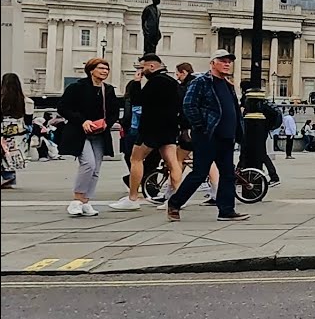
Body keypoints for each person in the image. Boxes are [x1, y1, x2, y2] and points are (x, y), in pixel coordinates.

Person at [164, 50, 248, 222]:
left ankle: (226, 210)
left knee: (228, 174)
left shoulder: (228, 85)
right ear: (212, 63)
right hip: (207, 135)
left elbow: (233, 110)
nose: (227, 64)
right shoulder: (201, 82)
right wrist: (200, 126)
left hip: (226, 136)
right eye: (222, 61)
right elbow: (189, 105)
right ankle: (174, 203)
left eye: (229, 61)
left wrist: (238, 132)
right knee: (200, 173)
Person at [111, 54, 184, 210]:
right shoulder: (173, 82)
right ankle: (176, 198)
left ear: (152, 66)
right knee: (173, 163)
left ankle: (132, 198)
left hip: (152, 127)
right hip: (170, 127)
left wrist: (137, 83)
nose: (141, 71)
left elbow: (139, 101)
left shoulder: (155, 82)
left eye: (142, 67)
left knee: (136, 159)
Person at [57, 58, 120, 217]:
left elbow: (114, 112)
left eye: (107, 69)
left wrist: (107, 123)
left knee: (96, 168)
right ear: (91, 70)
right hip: (80, 132)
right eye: (101, 68)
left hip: (100, 133)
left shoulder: (109, 90)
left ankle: (86, 201)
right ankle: (77, 199)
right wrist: (82, 121)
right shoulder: (76, 87)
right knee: (88, 164)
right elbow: (63, 108)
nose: (105, 71)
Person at [1, 73, 28, 188]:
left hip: (3, 129)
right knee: (11, 153)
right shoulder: (25, 100)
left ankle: (7, 177)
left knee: (3, 153)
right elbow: (29, 120)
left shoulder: (2, 100)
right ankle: (10, 176)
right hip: (18, 131)